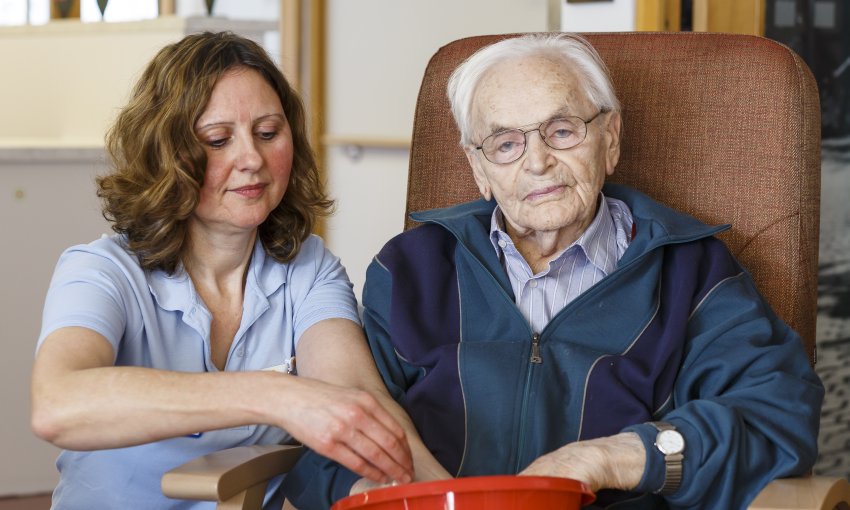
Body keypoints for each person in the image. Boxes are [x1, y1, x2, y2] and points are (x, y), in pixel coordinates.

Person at [282, 33, 824, 509]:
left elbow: (776, 419)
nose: (536, 162)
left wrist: (607, 460)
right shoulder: (412, 269)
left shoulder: (692, 272)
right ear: (478, 168)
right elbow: (331, 441)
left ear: (609, 139)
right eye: (506, 143)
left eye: (561, 131)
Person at [30, 31, 431, 509]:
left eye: (268, 133)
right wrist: (275, 395)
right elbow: (57, 404)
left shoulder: (309, 268)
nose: (252, 160)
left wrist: (452, 495)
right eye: (218, 140)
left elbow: (358, 401)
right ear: (167, 155)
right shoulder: (101, 270)